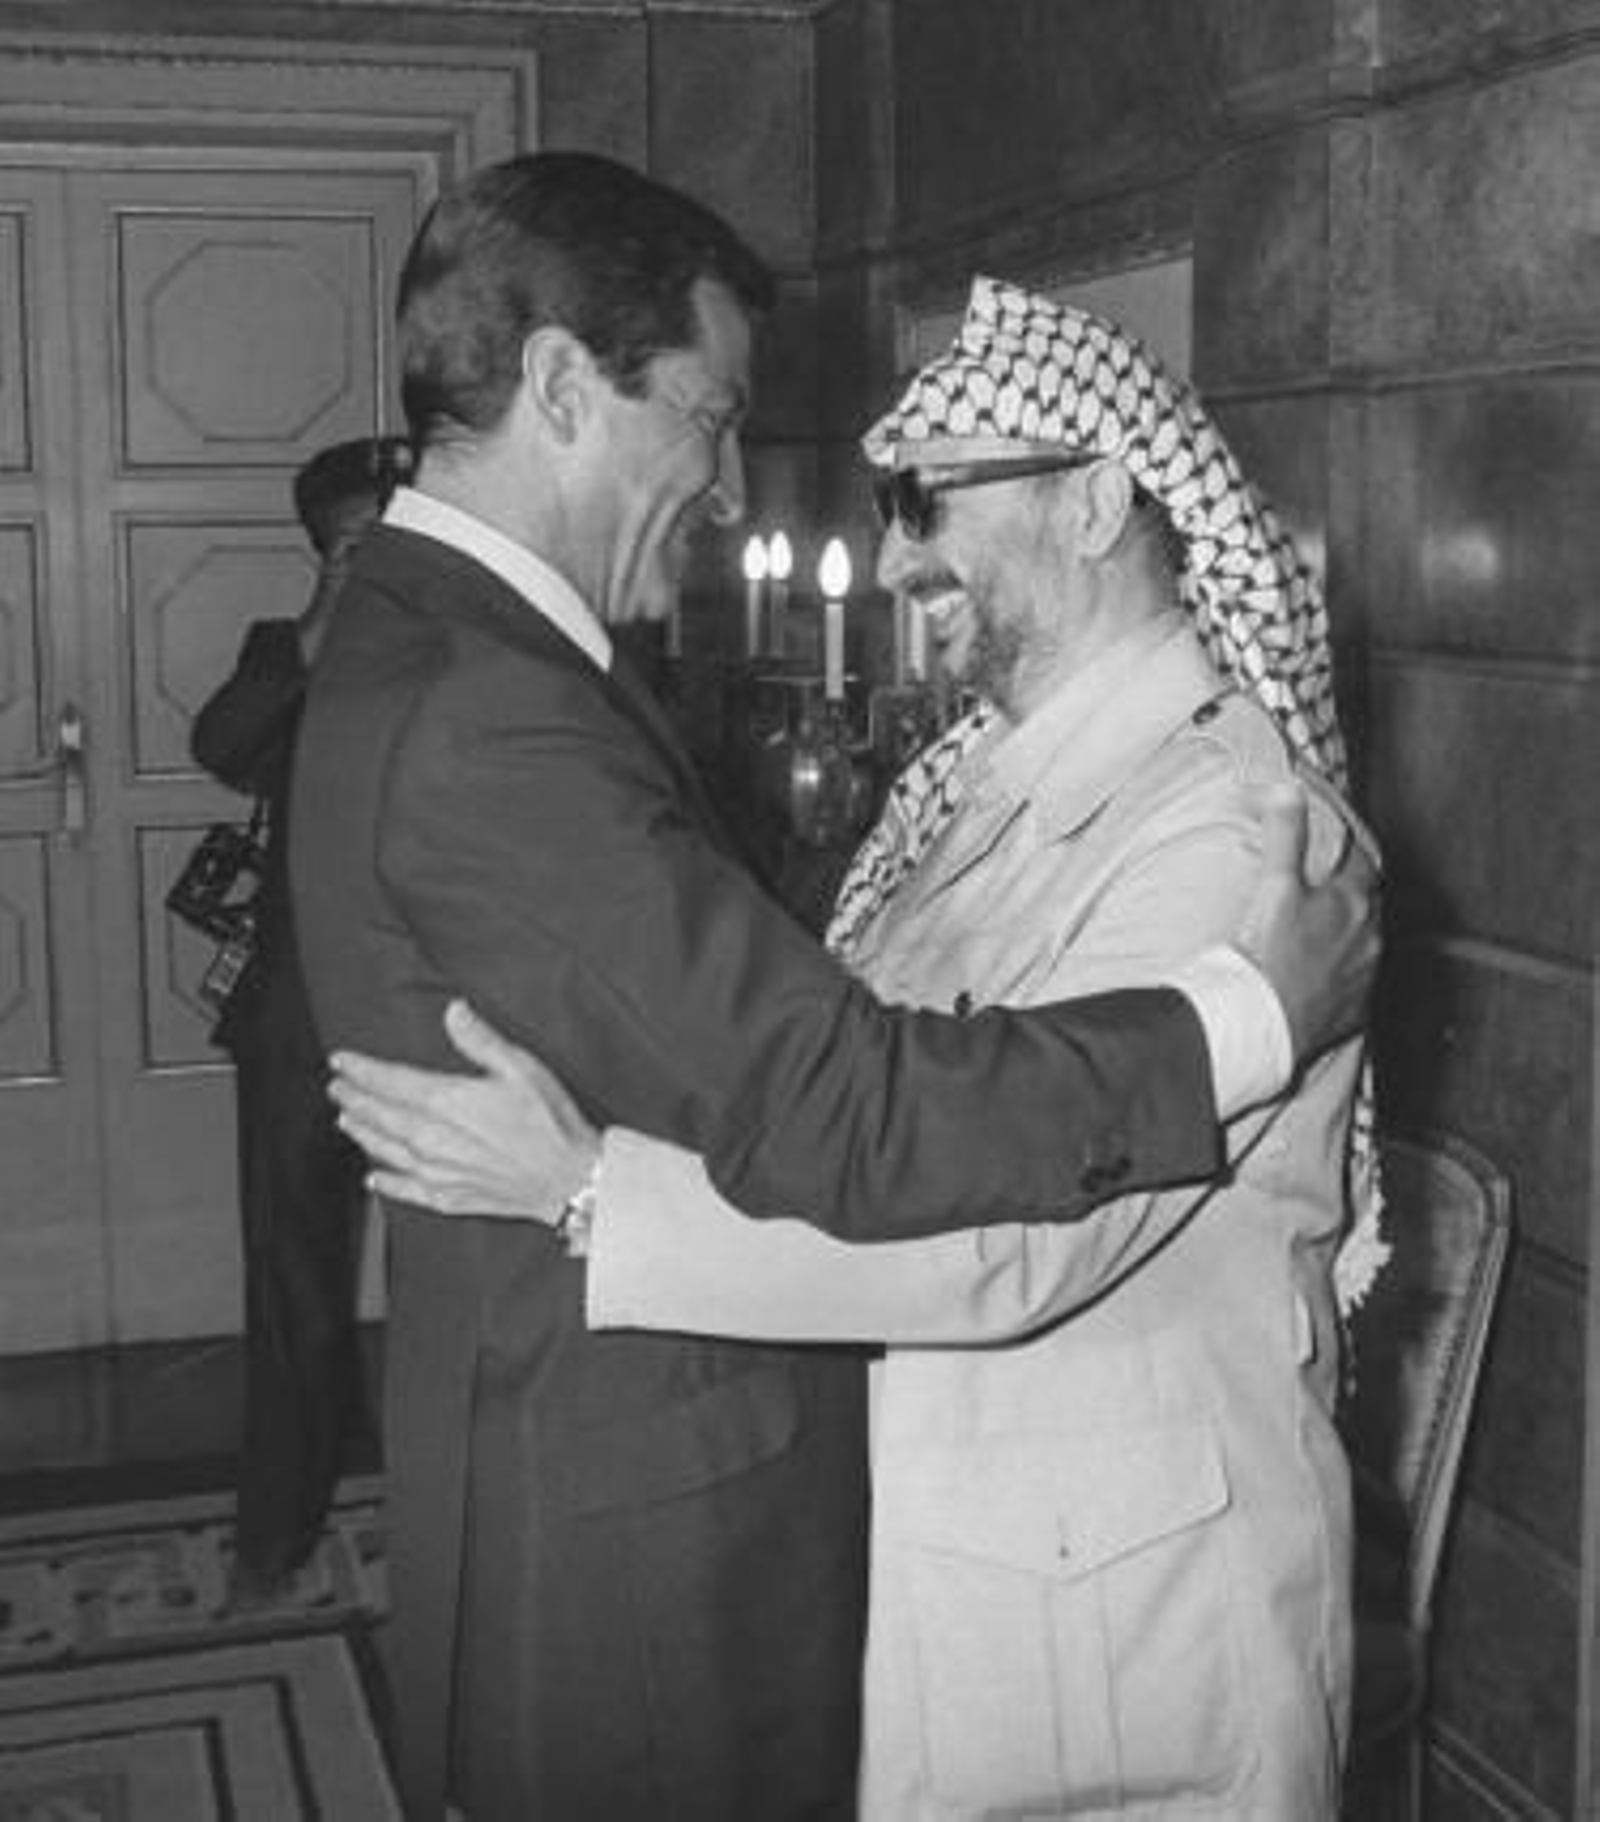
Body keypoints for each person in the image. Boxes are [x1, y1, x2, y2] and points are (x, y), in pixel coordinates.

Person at [287, 155, 1375, 1822]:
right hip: (961, 1584)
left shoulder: (1240, 829)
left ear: (1097, 504)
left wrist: (593, 1190)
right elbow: (839, 1081)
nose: (898, 553)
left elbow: (1005, 1240)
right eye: (889, 509)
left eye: (932, 503)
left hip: (1115, 1626)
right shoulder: (966, 788)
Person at [190, 434, 412, 1599]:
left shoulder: (464, 651)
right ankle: (275, 1530)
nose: (373, 559)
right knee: (293, 1285)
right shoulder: (286, 652)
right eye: (346, 544)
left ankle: (438, 1502)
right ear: (321, 552)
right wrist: (333, 604)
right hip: (294, 1026)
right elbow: (222, 746)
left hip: (438, 1025)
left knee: (445, 1286)